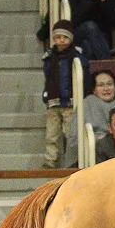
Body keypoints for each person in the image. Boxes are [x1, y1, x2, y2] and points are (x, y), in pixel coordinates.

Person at [65, 70, 115, 166]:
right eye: (101, 85)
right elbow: (75, 139)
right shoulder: (85, 106)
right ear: (94, 89)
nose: (106, 88)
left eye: (110, 84)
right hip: (96, 157)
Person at [40, 20, 81, 169]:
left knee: (70, 134)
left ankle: (73, 160)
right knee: (51, 134)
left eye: (65, 37)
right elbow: (48, 77)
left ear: (71, 38)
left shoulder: (76, 57)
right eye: (58, 37)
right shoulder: (49, 57)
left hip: (69, 101)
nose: (61, 40)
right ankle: (50, 161)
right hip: (53, 101)